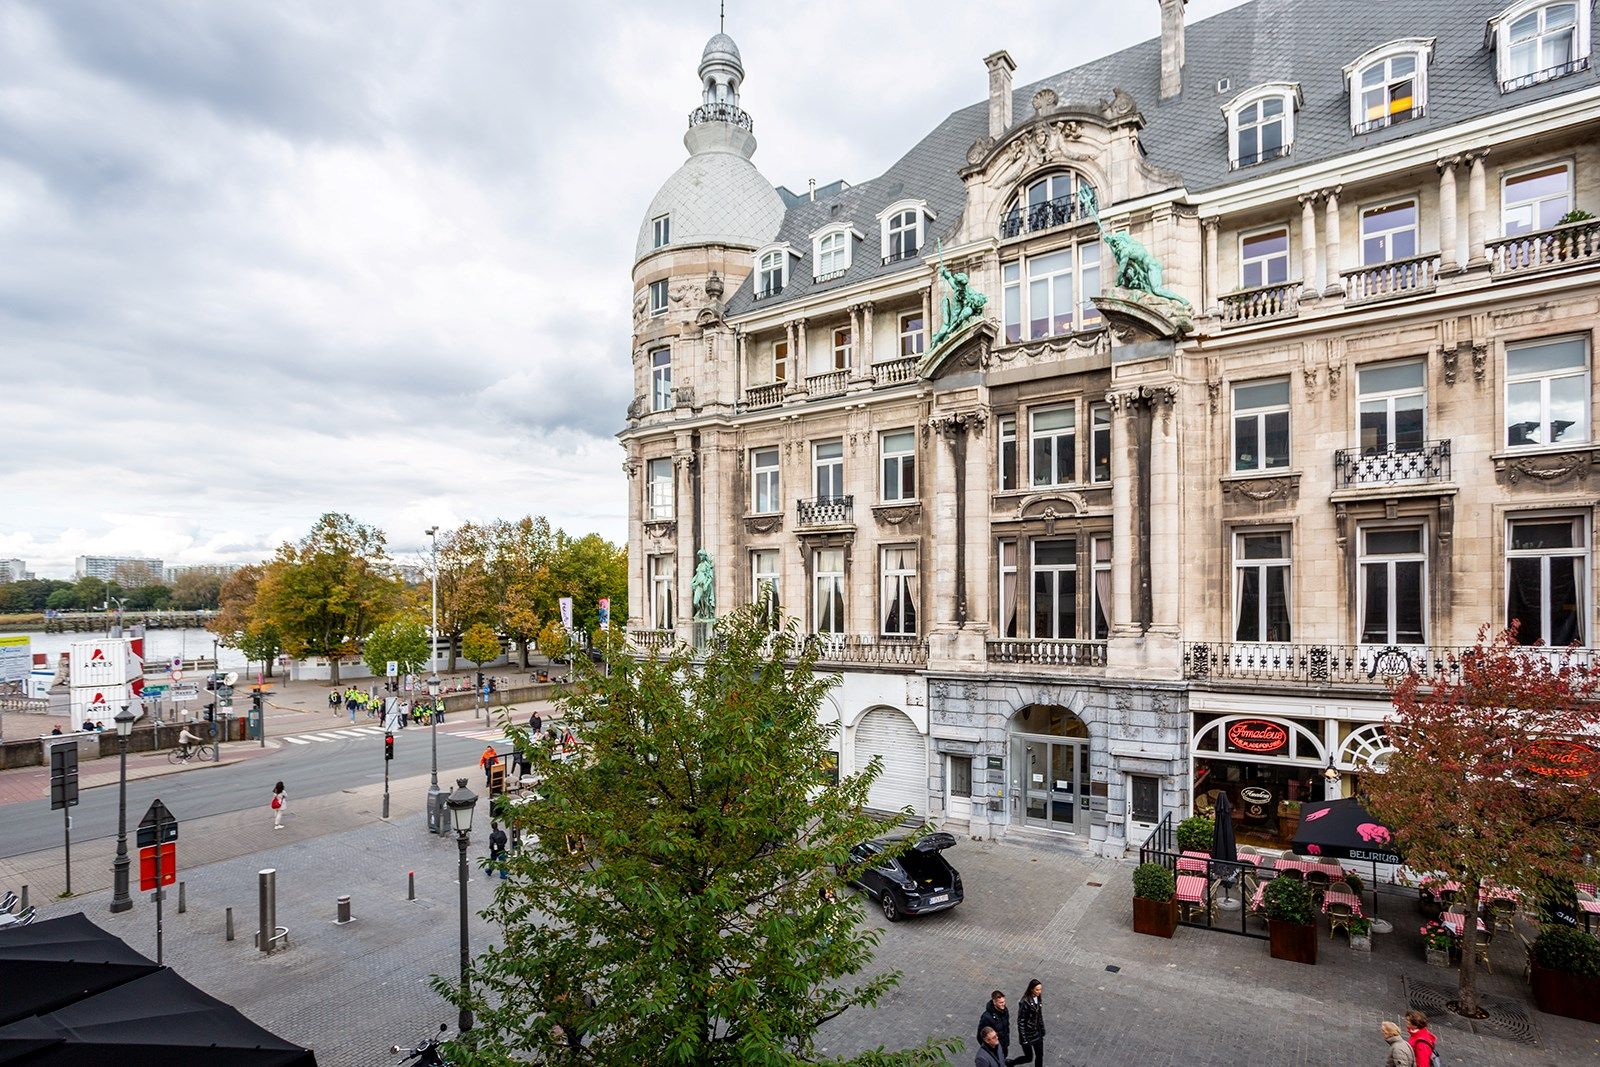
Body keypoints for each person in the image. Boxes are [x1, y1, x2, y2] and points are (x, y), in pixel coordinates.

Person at [1013, 979, 1044, 1066]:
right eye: (1037, 990)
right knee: (1028, 1058)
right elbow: (1021, 1021)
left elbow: (1039, 1015)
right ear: (1031, 989)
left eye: (1040, 989)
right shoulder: (1024, 1002)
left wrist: (1042, 1028)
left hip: (1037, 1033)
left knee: (1040, 1055)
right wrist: (1024, 1039)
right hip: (1028, 1034)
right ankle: (1012, 1063)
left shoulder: (1038, 998)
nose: (1039, 992)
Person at [978, 991, 1012, 1064]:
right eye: (1001, 1003)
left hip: (1004, 1044)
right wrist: (990, 1047)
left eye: (1004, 1002)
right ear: (994, 1002)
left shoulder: (1005, 1011)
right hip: (994, 1047)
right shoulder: (986, 1017)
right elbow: (980, 1036)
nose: (1003, 1004)